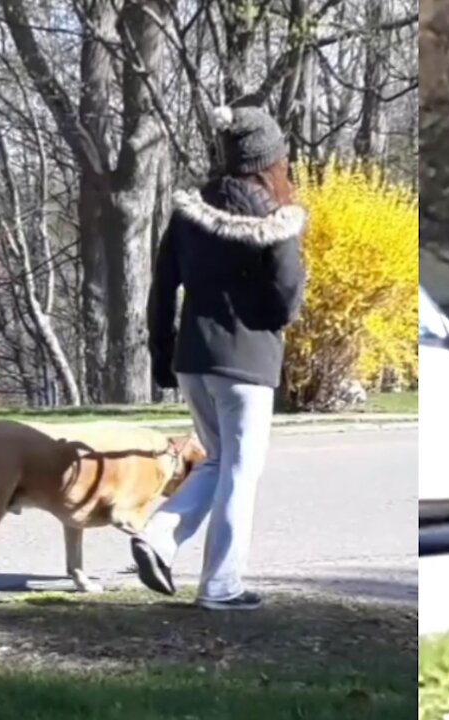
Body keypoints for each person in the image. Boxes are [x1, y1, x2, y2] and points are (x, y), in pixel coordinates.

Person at [135, 104, 307, 610]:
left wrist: (163, 355)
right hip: (246, 363)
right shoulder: (275, 219)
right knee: (241, 471)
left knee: (217, 462)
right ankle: (221, 586)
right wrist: (272, 318)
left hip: (194, 359)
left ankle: (155, 538)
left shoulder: (190, 215)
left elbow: (162, 288)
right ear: (268, 161)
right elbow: (286, 297)